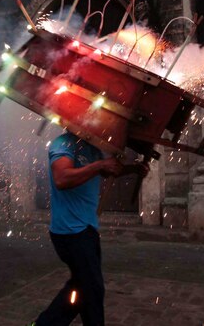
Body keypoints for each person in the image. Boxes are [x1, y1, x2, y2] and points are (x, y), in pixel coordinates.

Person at [34, 131, 148, 326]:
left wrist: (133, 169)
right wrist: (100, 164)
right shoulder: (63, 144)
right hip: (70, 233)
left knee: (84, 287)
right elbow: (62, 178)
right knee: (92, 289)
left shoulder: (91, 146)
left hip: (86, 230)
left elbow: (107, 170)